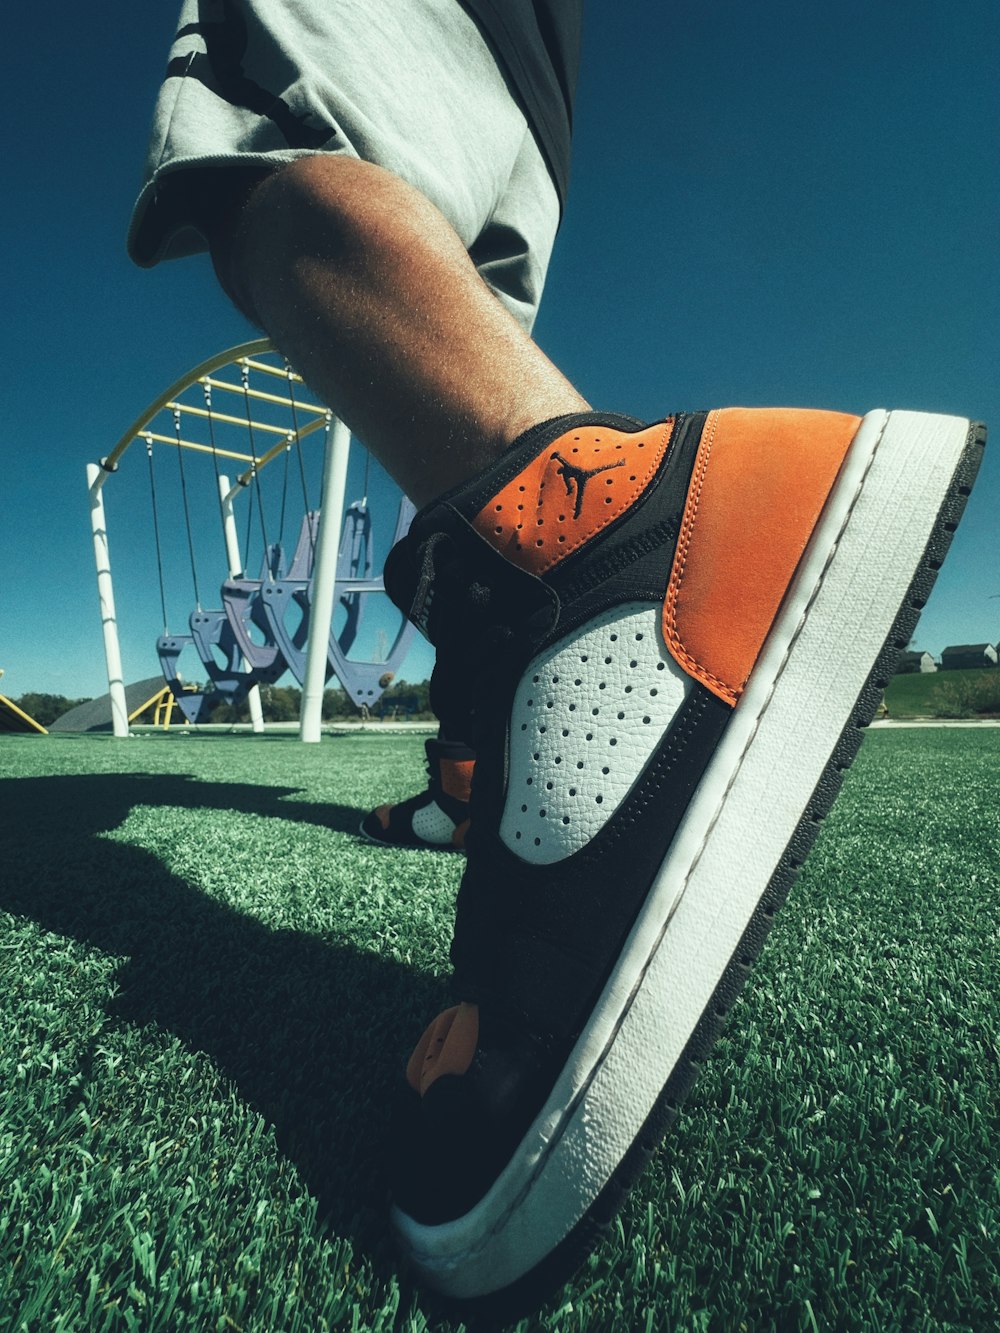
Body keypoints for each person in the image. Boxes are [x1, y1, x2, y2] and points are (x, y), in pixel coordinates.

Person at [128, 0, 984, 1312]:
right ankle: (508, 727)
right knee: (445, 333)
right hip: (532, 65)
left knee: (262, 173)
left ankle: (625, 532)